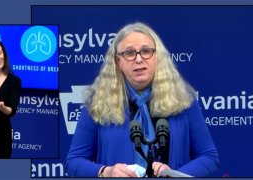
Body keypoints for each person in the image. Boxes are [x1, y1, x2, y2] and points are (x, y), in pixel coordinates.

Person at [65, 22, 219, 177]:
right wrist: (106, 172)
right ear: (118, 62)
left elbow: (209, 157)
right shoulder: (97, 103)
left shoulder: (183, 100)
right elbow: (74, 162)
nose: (138, 59)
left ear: (157, 57)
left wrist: (175, 175)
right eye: (129, 53)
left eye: (146, 51)